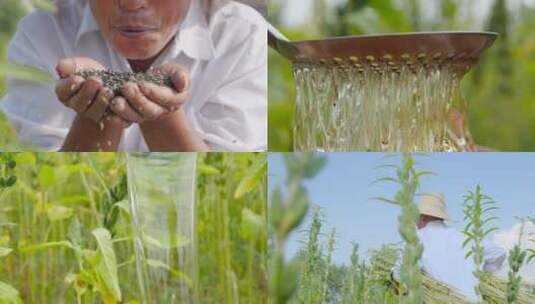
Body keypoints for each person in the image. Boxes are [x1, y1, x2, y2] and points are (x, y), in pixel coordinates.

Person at [1, 0, 267, 151]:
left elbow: (219, 189)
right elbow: (52, 189)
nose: (132, 3)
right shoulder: (42, 32)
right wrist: (92, 118)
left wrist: (164, 115)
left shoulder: (241, 36)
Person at [393, 193, 506, 302]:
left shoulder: (417, 238)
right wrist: (484, 276)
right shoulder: (466, 237)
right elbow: (498, 253)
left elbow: (400, 275)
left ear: (422, 217)